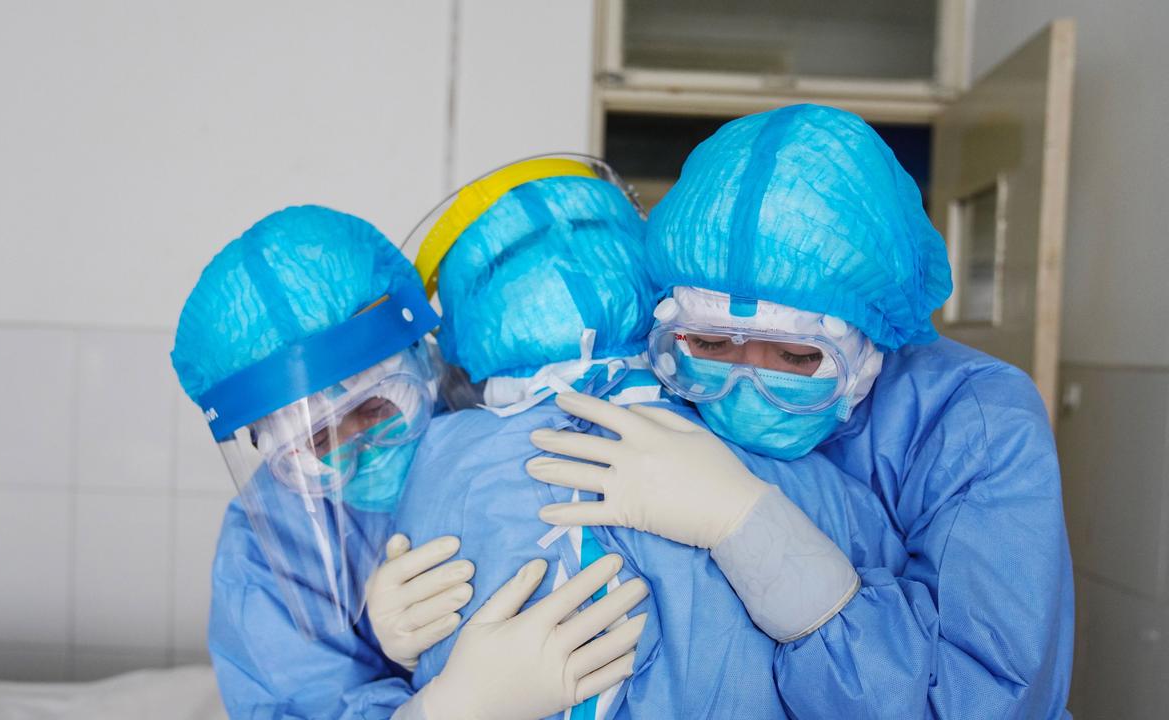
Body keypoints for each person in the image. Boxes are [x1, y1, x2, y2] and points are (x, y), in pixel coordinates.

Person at [528, 104, 1074, 717]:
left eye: (793, 355)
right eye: (710, 345)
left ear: (869, 343)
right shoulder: (655, 382)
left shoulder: (974, 420)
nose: (743, 386)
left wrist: (751, 529)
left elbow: (981, 702)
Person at [376, 154, 894, 719]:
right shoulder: (766, 451)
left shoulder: (436, 459)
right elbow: (892, 672)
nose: (750, 369)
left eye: (794, 356)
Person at [172, 205, 636, 719]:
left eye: (373, 408)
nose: (360, 451)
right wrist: (450, 708)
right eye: (317, 441)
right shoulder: (266, 549)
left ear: (422, 354)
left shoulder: (516, 414)